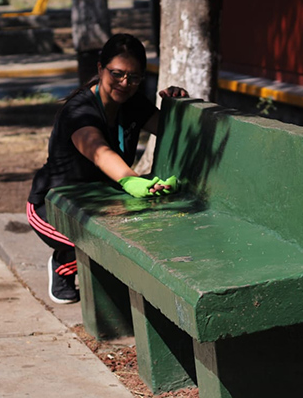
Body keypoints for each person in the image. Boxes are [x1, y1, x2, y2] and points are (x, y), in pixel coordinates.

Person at [26, 33, 188, 304]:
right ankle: (63, 263)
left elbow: (169, 130)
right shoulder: (79, 111)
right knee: (101, 247)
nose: (125, 83)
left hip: (104, 201)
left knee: (137, 240)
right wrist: (132, 181)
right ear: (101, 68)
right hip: (52, 205)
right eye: (117, 74)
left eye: (134, 77)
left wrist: (178, 104)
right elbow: (100, 152)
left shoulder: (132, 102)